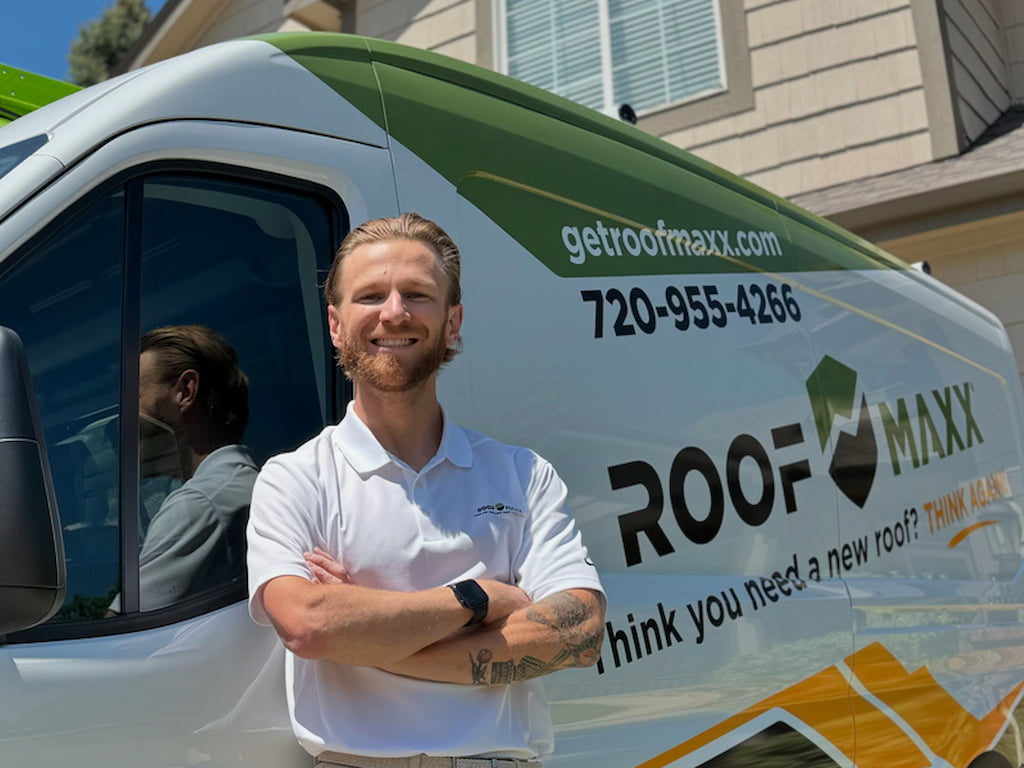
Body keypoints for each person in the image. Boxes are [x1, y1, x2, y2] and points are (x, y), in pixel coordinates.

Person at [246, 213, 606, 767]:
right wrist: (478, 599)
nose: (394, 312)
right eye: (370, 295)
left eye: (417, 294)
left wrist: (372, 639)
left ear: (452, 321)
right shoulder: (295, 478)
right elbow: (310, 624)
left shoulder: (521, 473)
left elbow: (579, 630)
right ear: (336, 324)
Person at [112, 324, 257, 613]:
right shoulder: (241, 482)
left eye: (134, 396)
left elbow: (116, 634)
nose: (125, 419)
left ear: (185, 391)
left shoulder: (200, 504)